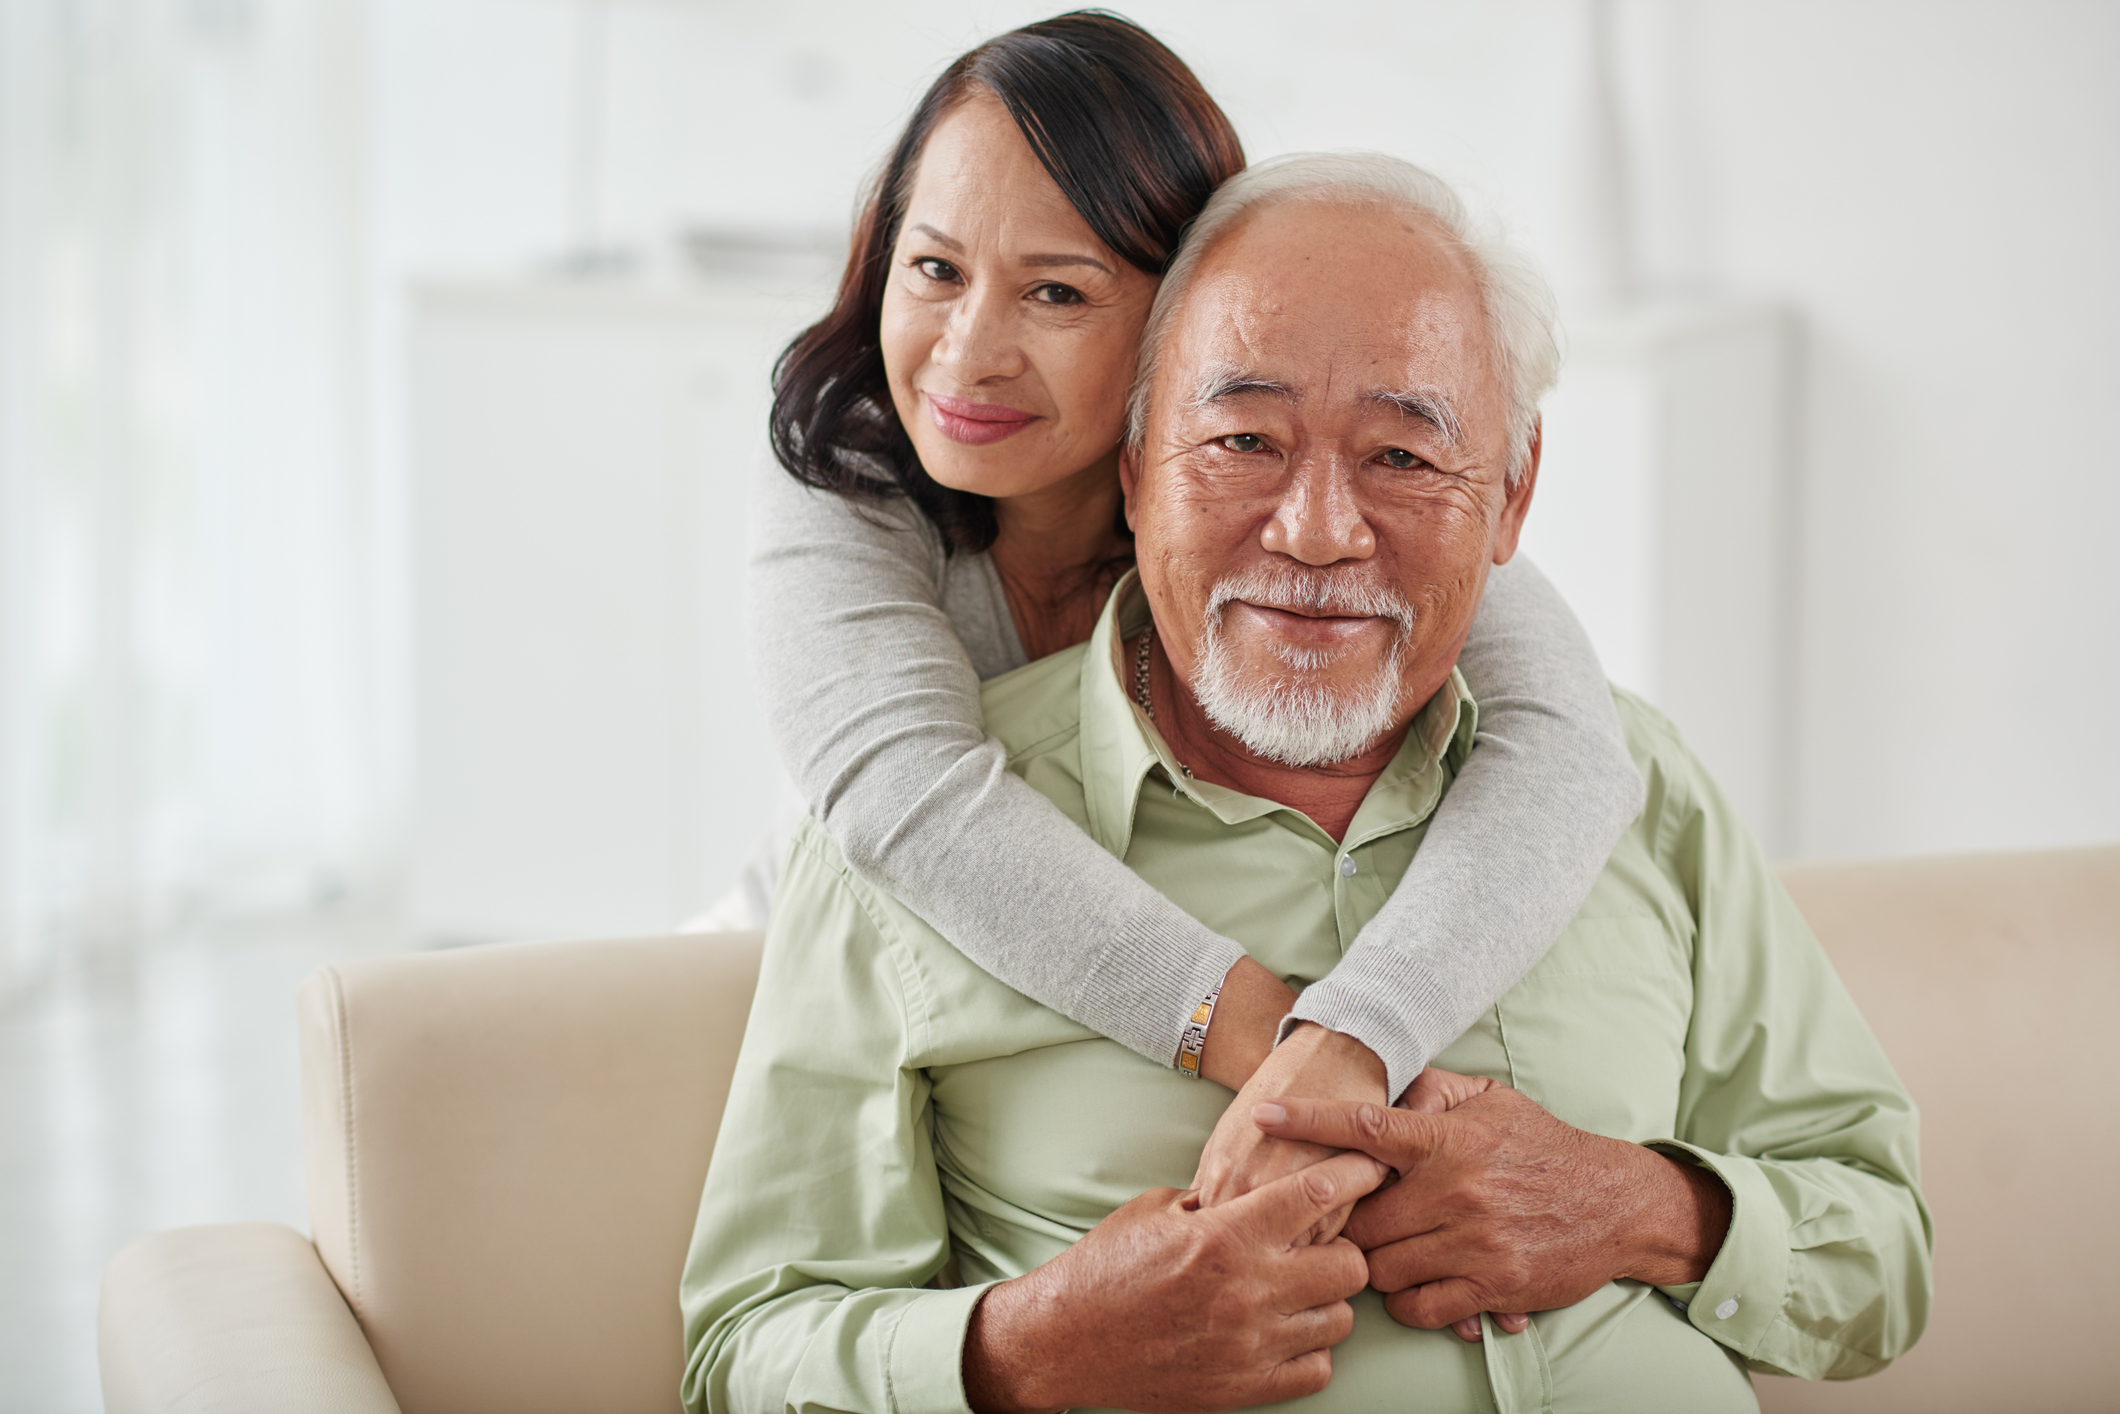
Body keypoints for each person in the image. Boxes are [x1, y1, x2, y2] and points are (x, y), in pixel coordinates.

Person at [681, 151, 1930, 1414]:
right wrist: (1025, 1352)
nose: (1317, 530)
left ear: (1511, 496)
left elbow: (1882, 1246)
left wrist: (1644, 1210)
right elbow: (743, 1355)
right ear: (1131, 467)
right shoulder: (906, 849)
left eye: (1400, 457)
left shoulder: (1628, 777)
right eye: (1241, 440)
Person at [746, 10, 1643, 1216]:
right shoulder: (848, 462)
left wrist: (1362, 1035)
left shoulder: (1287, 495)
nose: (968, 353)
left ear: (1188, 317)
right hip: (846, 932)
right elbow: (901, 796)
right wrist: (1300, 1059)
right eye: (936, 269)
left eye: (1056, 291)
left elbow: (1569, 749)